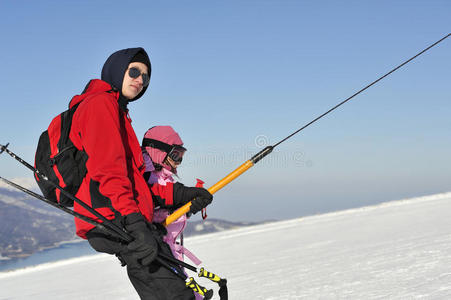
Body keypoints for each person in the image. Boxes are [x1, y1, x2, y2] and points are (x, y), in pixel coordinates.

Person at [67, 47, 213, 299]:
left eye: (146, 76)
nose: (140, 80)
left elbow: (138, 183)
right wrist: (134, 221)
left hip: (118, 216)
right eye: (134, 71)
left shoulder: (116, 110)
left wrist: (184, 195)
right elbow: (110, 171)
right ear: (116, 69)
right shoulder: (101, 104)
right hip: (114, 216)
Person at [141, 126, 206, 300]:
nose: (179, 162)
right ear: (158, 152)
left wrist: (186, 208)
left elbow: (164, 209)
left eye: (181, 156)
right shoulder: (146, 177)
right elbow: (151, 204)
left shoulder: (163, 175)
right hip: (158, 252)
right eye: (176, 155)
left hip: (169, 251)